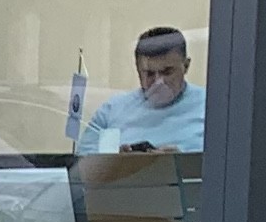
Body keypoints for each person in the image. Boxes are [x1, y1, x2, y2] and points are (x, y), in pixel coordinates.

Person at [76, 27, 206, 153]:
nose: (158, 82)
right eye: (149, 74)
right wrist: (115, 161)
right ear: (138, 70)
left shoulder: (208, 108)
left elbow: (217, 160)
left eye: (167, 72)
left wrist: (183, 161)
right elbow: (83, 162)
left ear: (186, 66)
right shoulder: (111, 111)